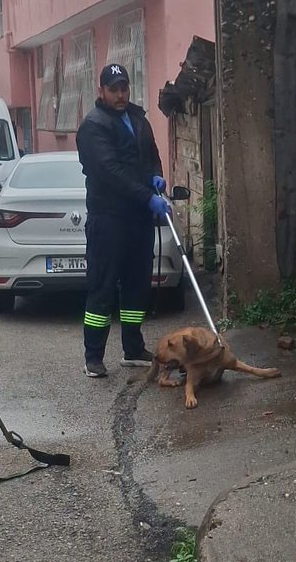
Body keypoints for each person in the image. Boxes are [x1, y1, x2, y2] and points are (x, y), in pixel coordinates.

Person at [75, 63, 171, 378]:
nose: (120, 94)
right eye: (113, 89)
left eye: (124, 88)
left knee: (136, 284)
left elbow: (152, 154)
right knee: (102, 286)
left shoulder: (139, 119)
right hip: (109, 218)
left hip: (138, 220)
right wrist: (147, 197)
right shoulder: (93, 126)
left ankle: (133, 348)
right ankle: (93, 356)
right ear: (100, 91)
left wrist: (157, 176)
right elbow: (111, 172)